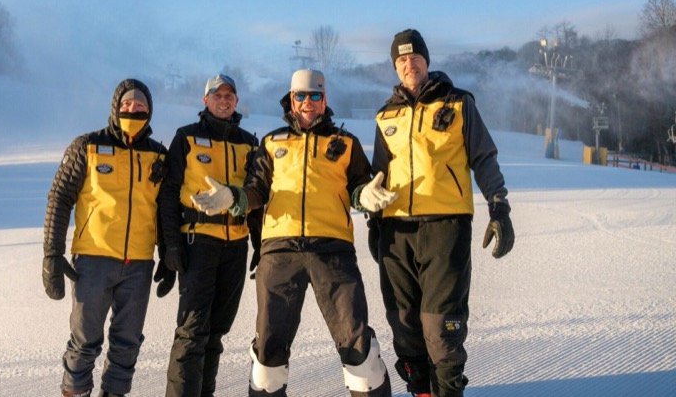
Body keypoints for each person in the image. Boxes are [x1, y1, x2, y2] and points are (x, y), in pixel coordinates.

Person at [191, 68, 392, 397]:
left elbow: (359, 186)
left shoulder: (345, 143)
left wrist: (364, 197)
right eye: (301, 95)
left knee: (360, 351)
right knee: (268, 354)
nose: (308, 102)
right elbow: (256, 189)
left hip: (334, 250)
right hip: (279, 252)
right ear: (291, 99)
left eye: (315, 95)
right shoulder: (272, 143)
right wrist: (233, 198)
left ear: (325, 100)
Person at [365, 29, 515, 397]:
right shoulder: (386, 115)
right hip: (396, 231)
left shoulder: (459, 103)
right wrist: (374, 220)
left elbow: (483, 157)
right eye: (401, 60)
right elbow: (378, 175)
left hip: (446, 227)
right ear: (395, 67)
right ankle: (421, 391)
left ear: (427, 61)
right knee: (404, 323)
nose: (408, 64)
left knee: (440, 326)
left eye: (414, 57)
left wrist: (499, 207)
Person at [42, 78, 168, 397]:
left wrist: (169, 255)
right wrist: (52, 255)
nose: (133, 109)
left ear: (149, 112)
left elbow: (166, 211)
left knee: (127, 346)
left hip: (139, 264)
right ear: (115, 108)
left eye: (140, 106)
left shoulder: (158, 157)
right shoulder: (88, 146)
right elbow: (59, 198)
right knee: (85, 343)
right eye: (127, 104)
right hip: (93, 260)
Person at [158, 73, 261, 397]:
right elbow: (168, 194)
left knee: (216, 332)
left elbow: (257, 197)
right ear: (205, 100)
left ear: (236, 101)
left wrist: (259, 246)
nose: (224, 100)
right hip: (197, 242)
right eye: (217, 95)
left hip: (235, 246)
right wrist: (170, 245)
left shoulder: (249, 142)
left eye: (229, 95)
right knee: (192, 331)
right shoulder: (186, 138)